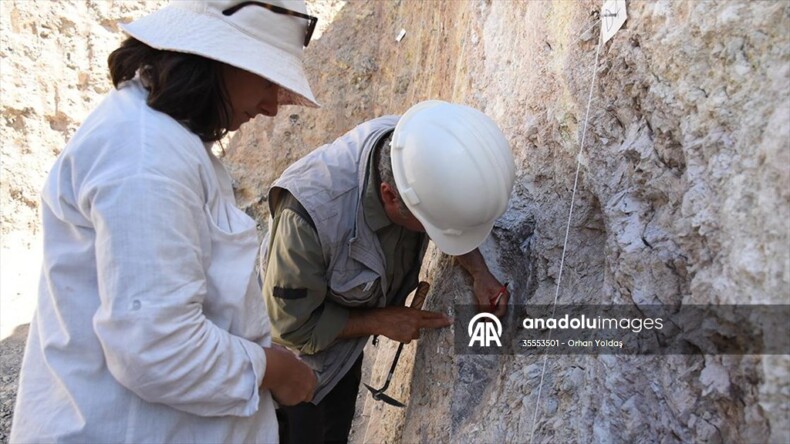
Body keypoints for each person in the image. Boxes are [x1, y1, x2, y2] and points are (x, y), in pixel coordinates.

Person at [11, 1, 321, 442]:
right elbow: (157, 348)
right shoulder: (146, 156)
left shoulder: (161, 139)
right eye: (268, 79)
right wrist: (276, 370)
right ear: (216, 60)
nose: (272, 105)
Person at [260, 100, 516, 443]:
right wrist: (380, 321)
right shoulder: (309, 219)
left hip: (343, 354)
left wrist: (479, 272)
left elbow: (442, 212)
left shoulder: (419, 147)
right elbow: (289, 327)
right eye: (428, 225)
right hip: (295, 363)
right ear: (390, 197)